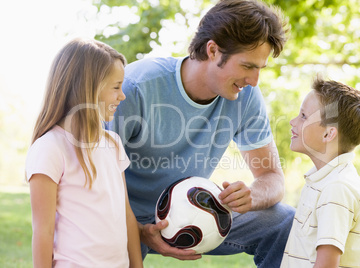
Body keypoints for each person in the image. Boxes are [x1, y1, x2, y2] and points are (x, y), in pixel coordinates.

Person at [108, 0, 295, 267]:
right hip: (121, 217)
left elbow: (272, 177)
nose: (254, 81)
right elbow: (92, 177)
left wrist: (253, 195)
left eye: (259, 69)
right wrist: (137, 229)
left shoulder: (246, 96)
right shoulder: (137, 86)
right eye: (247, 66)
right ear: (213, 50)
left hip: (196, 215)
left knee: (282, 221)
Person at [26, 38, 143, 268]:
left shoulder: (113, 143)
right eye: (116, 87)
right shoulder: (50, 148)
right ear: (89, 90)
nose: (123, 96)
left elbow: (126, 214)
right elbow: (43, 231)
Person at [281, 76, 360, 267]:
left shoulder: (337, 188)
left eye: (303, 116)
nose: (293, 122)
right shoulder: (323, 179)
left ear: (328, 134)